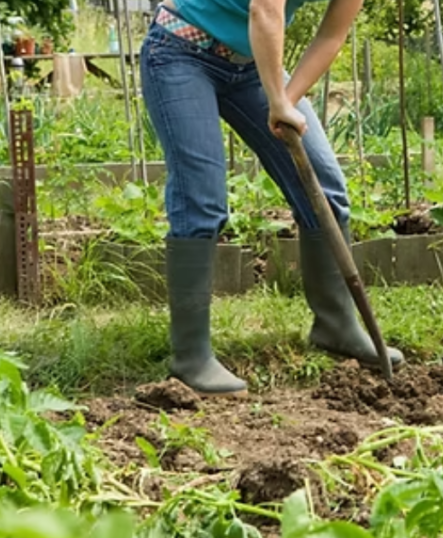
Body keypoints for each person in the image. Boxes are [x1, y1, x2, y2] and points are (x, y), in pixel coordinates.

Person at [140, 0, 405, 398]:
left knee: (324, 187)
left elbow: (331, 37)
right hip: (180, 50)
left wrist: (285, 100)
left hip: (251, 65)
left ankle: (336, 326)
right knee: (203, 199)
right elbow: (264, 9)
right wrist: (278, 99)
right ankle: (191, 356)